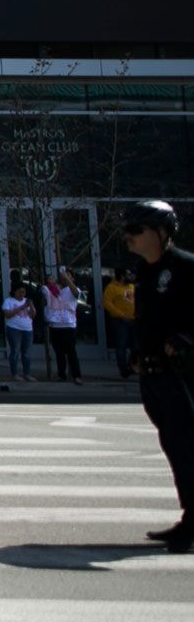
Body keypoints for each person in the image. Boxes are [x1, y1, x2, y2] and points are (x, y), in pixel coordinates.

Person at [118, 202, 193, 552]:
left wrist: (184, 341)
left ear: (161, 233)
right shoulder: (142, 272)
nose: (129, 237)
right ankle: (190, 516)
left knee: (187, 445)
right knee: (175, 446)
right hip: (153, 375)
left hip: (183, 374)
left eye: (137, 230)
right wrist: (137, 352)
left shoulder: (185, 267)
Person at [44, 268, 83, 384]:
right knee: (59, 352)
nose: (64, 277)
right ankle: (61, 374)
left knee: (71, 351)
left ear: (72, 278)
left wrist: (67, 278)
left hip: (68, 325)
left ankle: (76, 375)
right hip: (55, 325)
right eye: (63, 275)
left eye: (68, 275)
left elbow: (76, 293)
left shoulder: (72, 290)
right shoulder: (56, 289)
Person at [103, 264, 137, 380]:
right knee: (121, 345)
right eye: (127, 274)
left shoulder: (131, 286)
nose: (130, 276)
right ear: (122, 276)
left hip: (133, 319)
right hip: (120, 321)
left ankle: (132, 365)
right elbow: (107, 303)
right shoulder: (111, 287)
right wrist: (121, 315)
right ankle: (123, 369)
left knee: (135, 345)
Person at [1, 277, 37, 382]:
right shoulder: (9, 301)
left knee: (26, 353)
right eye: (20, 292)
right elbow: (7, 315)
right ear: (15, 291)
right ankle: (15, 374)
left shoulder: (27, 301)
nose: (22, 294)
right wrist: (22, 307)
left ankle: (27, 373)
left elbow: (33, 315)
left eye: (23, 292)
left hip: (28, 329)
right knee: (15, 351)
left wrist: (30, 305)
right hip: (14, 329)